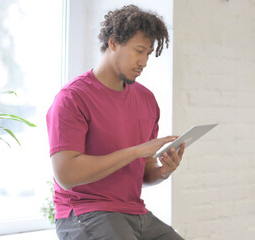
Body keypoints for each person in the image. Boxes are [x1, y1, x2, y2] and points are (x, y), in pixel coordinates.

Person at [46, 5, 185, 240]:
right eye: (138, 50)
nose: (144, 62)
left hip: (135, 213)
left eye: (148, 54)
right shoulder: (73, 97)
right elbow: (66, 175)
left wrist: (164, 171)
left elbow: (145, 173)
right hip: (85, 212)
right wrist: (138, 151)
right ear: (113, 43)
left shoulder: (147, 100)